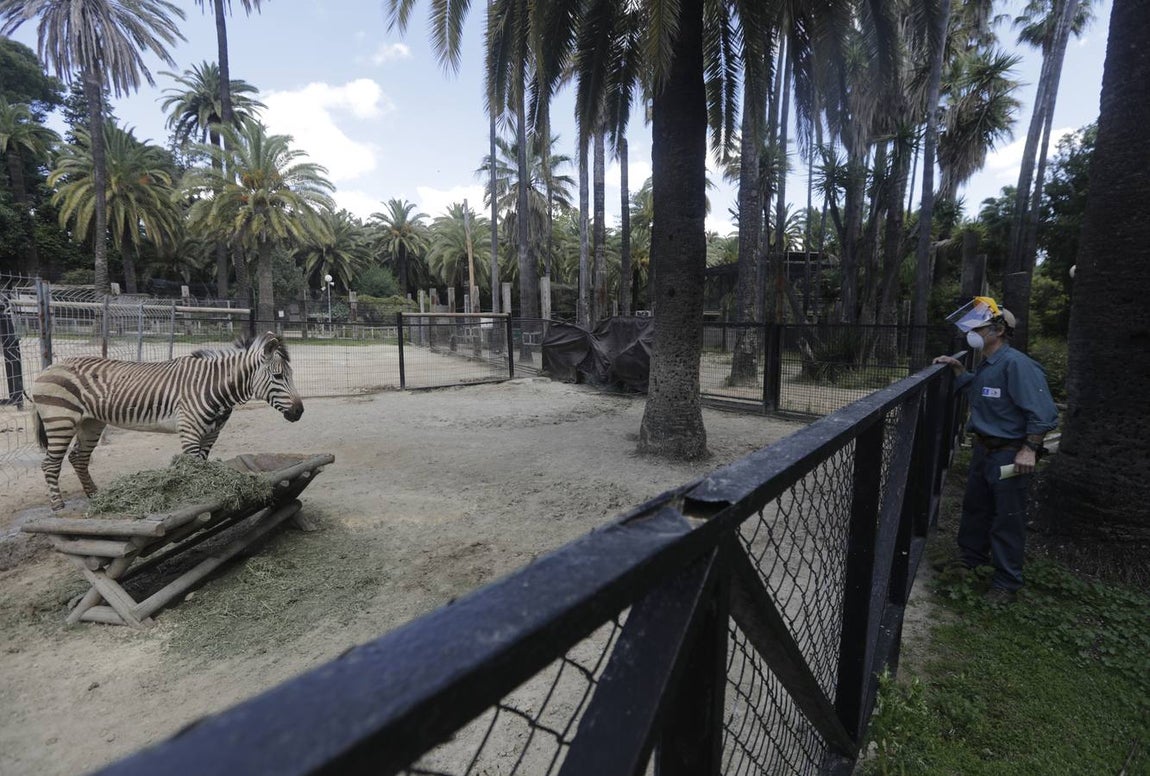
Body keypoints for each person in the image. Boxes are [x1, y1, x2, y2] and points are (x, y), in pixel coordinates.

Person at [933, 298, 1059, 602]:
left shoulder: (1017, 365)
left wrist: (1030, 449)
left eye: (979, 327)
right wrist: (959, 369)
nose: (972, 332)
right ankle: (970, 559)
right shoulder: (989, 365)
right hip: (984, 449)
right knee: (976, 507)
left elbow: (1042, 412)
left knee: (1008, 517)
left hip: (1009, 453)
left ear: (999, 330)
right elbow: (983, 390)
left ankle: (1006, 582)